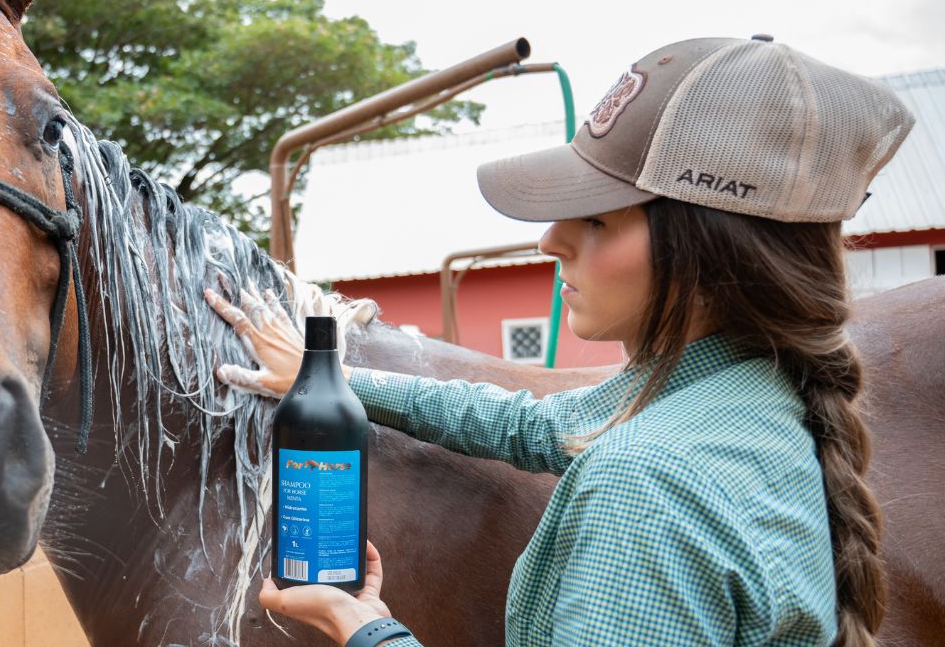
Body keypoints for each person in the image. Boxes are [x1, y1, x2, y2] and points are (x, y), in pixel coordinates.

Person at [204, 36, 914, 647]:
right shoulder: (749, 393)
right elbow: (533, 423)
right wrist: (335, 381)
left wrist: (366, 628)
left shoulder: (649, 486)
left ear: (711, 253)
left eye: (599, 220)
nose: (551, 239)